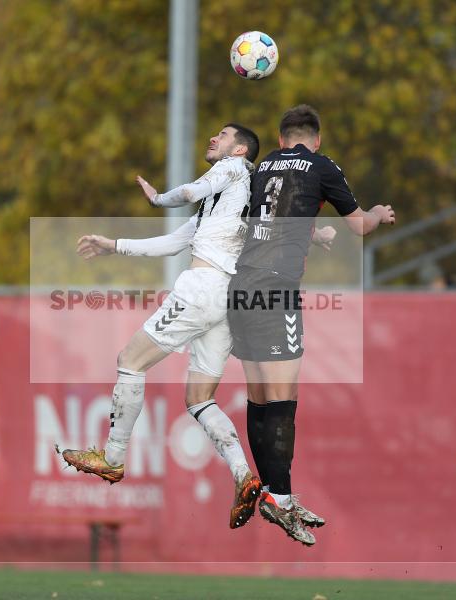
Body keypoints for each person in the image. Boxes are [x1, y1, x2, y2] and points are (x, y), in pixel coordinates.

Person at [59, 124, 267, 529]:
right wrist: (113, 245)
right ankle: (243, 474)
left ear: (239, 149)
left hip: (202, 291)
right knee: (198, 398)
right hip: (226, 301)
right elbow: (171, 242)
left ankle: (113, 459)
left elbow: (188, 193)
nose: (213, 138)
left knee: (129, 361)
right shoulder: (222, 209)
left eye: (222, 135)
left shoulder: (235, 169)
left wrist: (158, 199)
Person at [227, 104, 395, 546]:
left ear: (281, 139)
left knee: (259, 396)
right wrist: (377, 212)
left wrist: (310, 233)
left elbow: (253, 221)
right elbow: (359, 227)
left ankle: (270, 489)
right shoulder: (323, 166)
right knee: (284, 399)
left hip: (240, 285)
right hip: (277, 287)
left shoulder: (261, 167)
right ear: (315, 140)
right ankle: (280, 496)